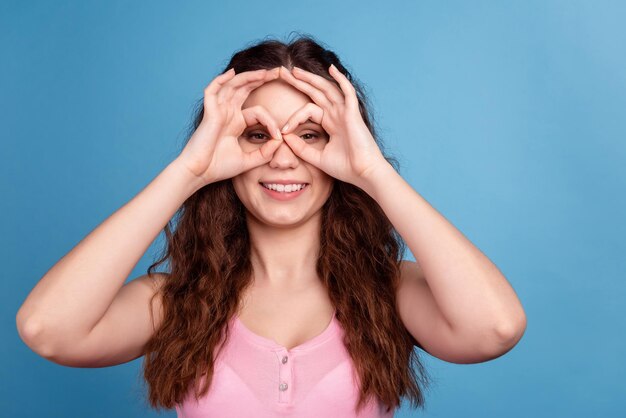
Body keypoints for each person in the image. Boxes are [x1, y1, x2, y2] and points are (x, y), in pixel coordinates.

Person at [15, 35, 527, 417]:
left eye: (311, 134)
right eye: (256, 134)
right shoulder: (177, 301)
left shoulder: (390, 292)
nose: (284, 158)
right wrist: (185, 174)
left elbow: (495, 329)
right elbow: (48, 330)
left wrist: (374, 173)